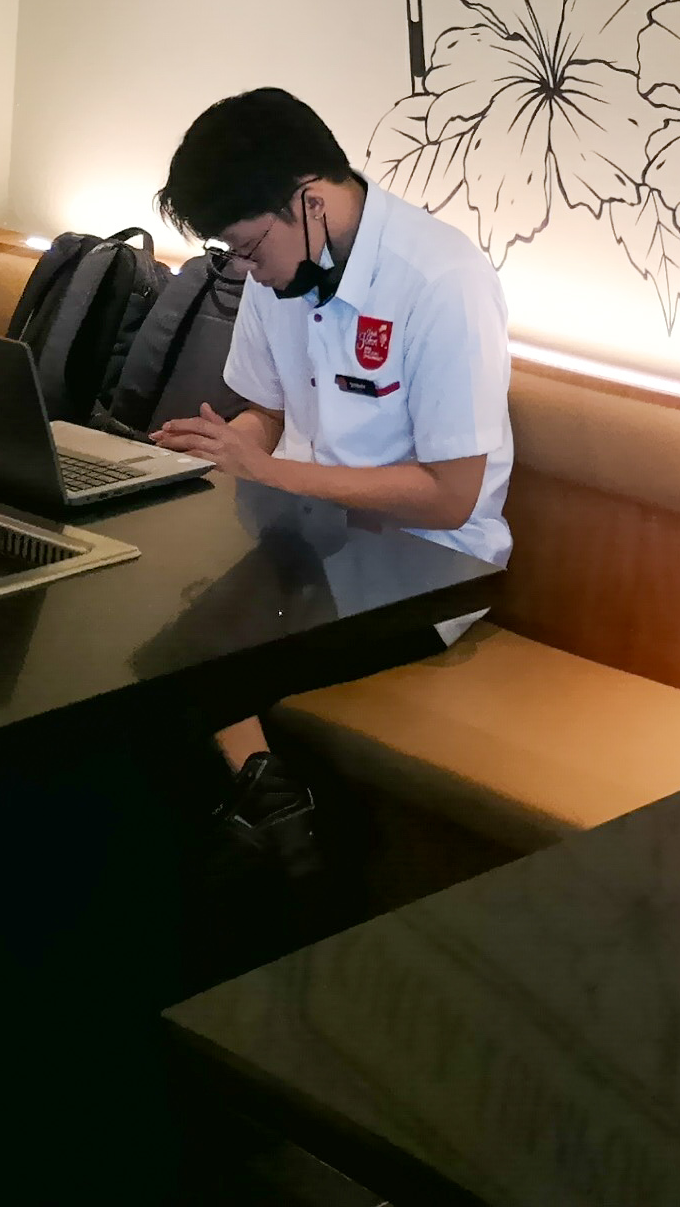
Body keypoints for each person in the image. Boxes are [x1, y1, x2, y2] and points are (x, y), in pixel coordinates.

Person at [143, 87, 510, 876]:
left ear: (308, 201)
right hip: (307, 544)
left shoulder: (441, 280)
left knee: (187, 675)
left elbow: (453, 496)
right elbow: (267, 412)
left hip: (424, 569)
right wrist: (218, 450)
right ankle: (271, 805)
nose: (245, 269)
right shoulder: (277, 275)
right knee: (140, 642)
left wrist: (268, 470)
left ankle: (273, 835)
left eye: (249, 248)